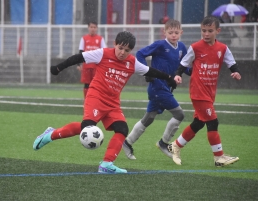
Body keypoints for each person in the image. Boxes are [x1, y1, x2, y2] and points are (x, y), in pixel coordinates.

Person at [33, 31, 177, 174]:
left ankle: (107, 164)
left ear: (130, 51)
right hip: (96, 96)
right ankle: (50, 135)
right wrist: (58, 68)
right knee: (87, 128)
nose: (122, 52)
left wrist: (169, 77)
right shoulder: (103, 54)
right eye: (120, 48)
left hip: (113, 103)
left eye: (126, 50)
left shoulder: (132, 63)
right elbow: (79, 57)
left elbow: (150, 71)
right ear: (115, 44)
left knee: (122, 129)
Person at [170, 15, 241, 167]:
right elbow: (183, 63)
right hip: (198, 92)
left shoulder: (222, 48)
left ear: (218, 31)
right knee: (213, 122)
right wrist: (177, 75)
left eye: (210, 31)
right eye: (203, 30)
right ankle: (219, 157)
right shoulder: (195, 47)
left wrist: (235, 72)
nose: (206, 34)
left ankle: (175, 145)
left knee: (198, 123)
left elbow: (231, 63)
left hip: (210, 92)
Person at [122, 19, 191, 160]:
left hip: (167, 88)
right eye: (170, 32)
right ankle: (163, 143)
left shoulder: (182, 47)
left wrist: (195, 73)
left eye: (176, 32)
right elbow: (140, 54)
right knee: (179, 115)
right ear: (164, 32)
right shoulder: (160, 45)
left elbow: (185, 67)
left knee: (149, 118)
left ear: (181, 33)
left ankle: (127, 142)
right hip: (157, 87)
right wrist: (147, 72)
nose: (173, 35)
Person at [77, 21, 107, 99]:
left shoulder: (100, 39)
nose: (92, 29)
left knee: (97, 84)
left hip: (97, 66)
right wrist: (79, 64)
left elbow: (104, 52)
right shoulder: (84, 38)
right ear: (88, 28)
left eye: (94, 27)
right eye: (91, 27)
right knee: (87, 84)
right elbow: (81, 52)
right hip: (86, 66)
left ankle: (95, 100)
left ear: (96, 28)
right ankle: (86, 101)